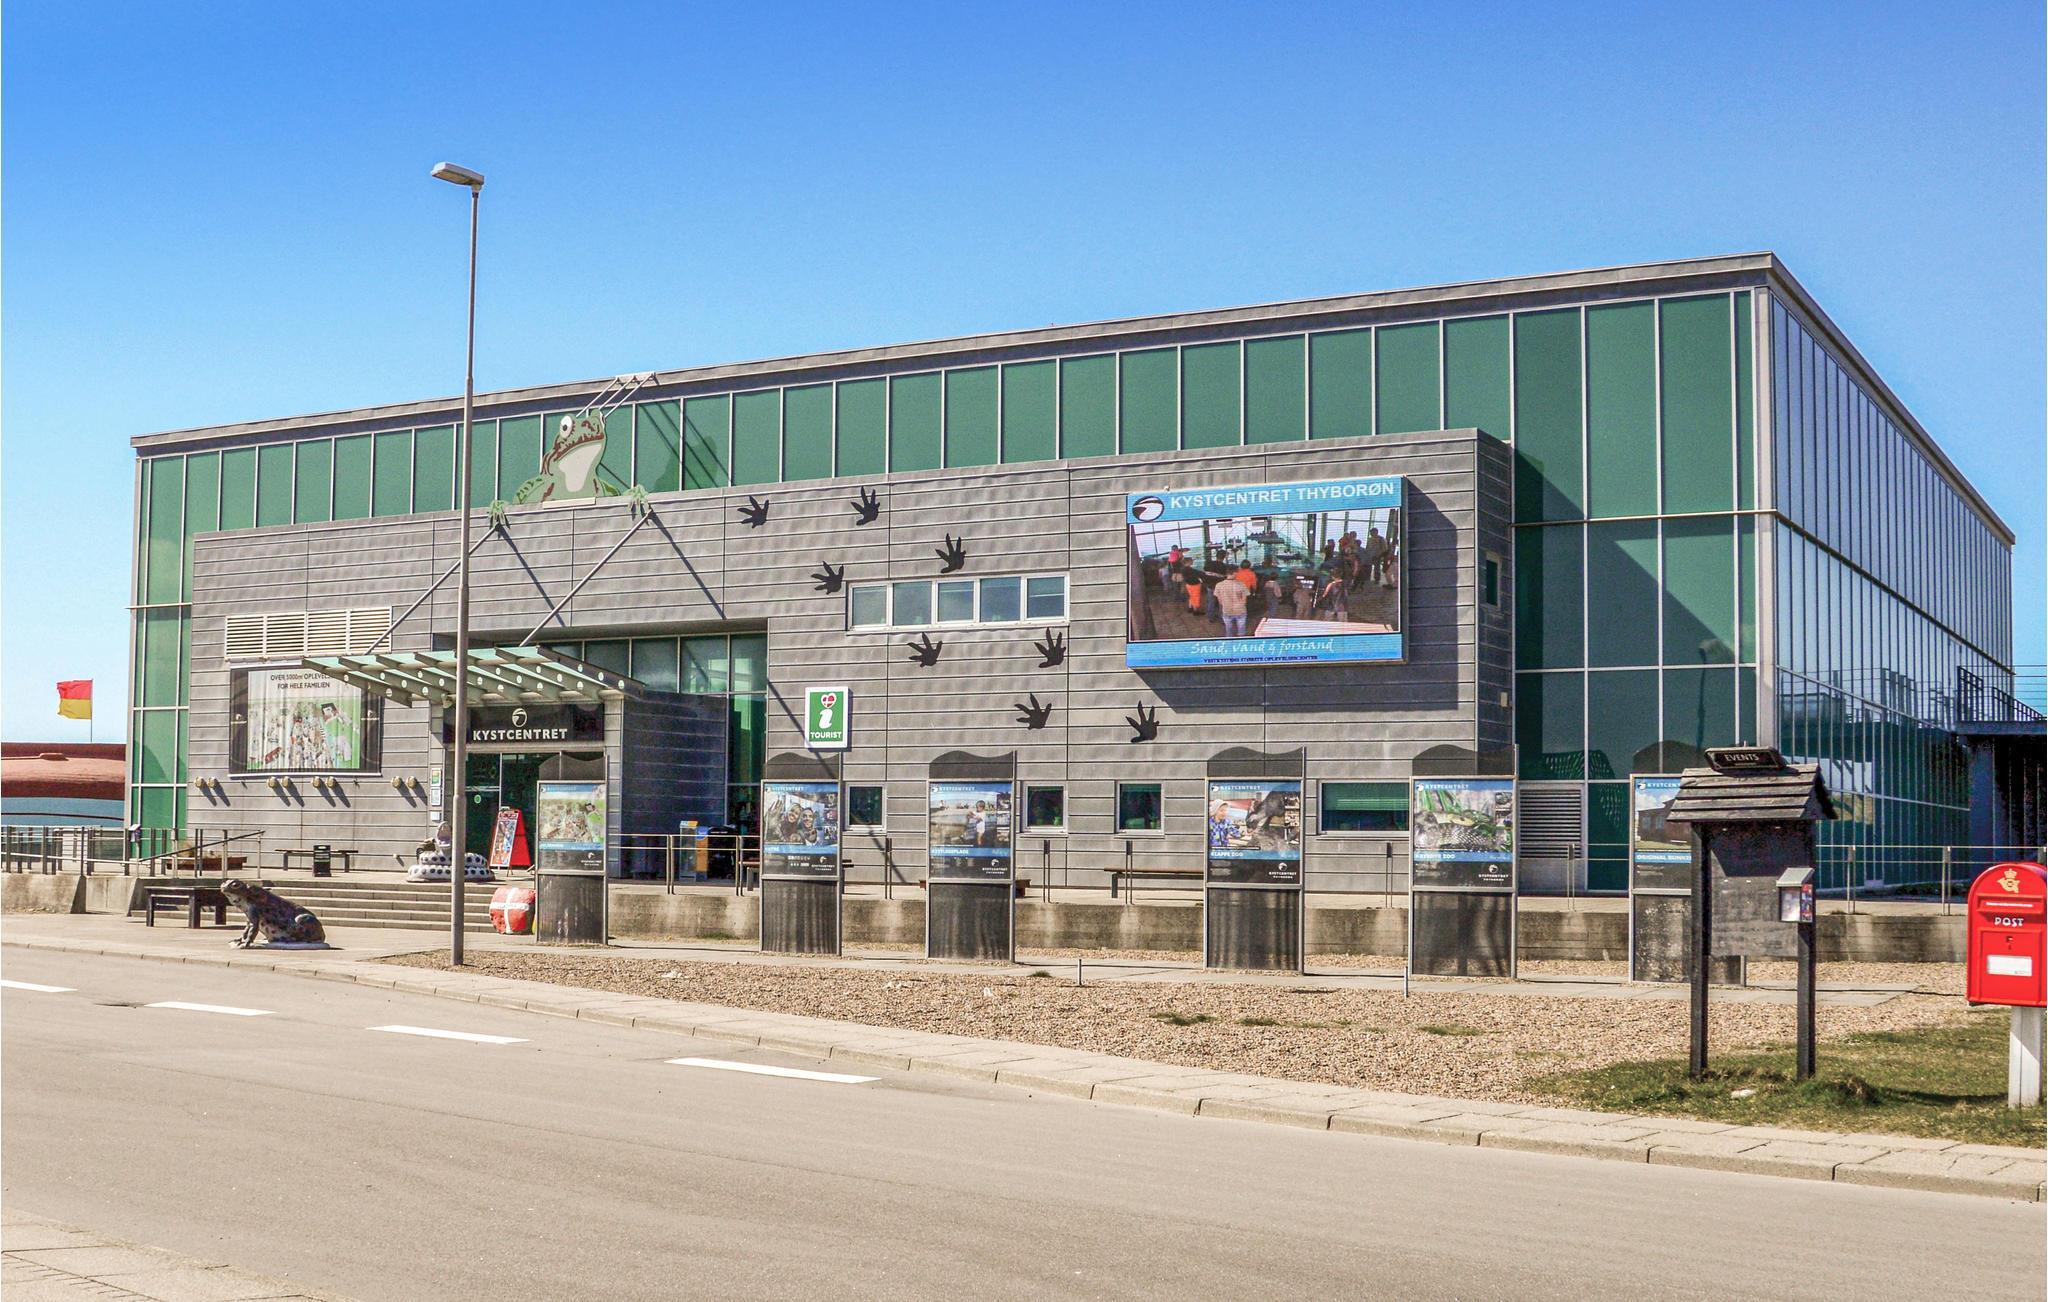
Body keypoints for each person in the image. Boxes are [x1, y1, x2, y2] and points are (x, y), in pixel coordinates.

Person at [1212, 571, 1251, 636]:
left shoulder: (1219, 585)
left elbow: (1220, 601)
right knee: (1241, 629)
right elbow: (1244, 600)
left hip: (1227, 610)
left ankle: (1229, 639)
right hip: (1240, 610)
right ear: (1234, 573)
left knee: (1228, 629)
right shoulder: (1241, 584)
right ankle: (1241, 639)